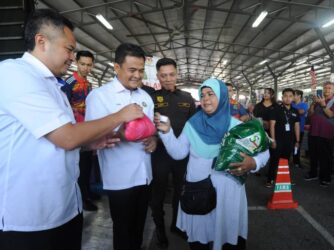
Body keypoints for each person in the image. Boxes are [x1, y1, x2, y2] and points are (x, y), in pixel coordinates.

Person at [0, 10, 144, 250]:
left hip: (65, 208)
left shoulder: (54, 85)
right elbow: (66, 136)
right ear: (41, 41)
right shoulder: (14, 74)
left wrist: (88, 143)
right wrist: (120, 115)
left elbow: (61, 138)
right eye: (69, 49)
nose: (72, 57)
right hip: (29, 219)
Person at [155, 78, 269, 250]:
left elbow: (264, 151)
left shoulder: (238, 126)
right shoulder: (192, 125)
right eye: (202, 94)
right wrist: (167, 133)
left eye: (210, 94)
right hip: (198, 193)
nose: (205, 98)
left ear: (222, 97)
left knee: (227, 239)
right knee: (200, 240)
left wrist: (253, 162)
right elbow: (179, 153)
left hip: (227, 196)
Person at [85, 43, 157, 250]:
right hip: (120, 179)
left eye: (141, 70)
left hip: (145, 175)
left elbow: (150, 129)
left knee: (138, 229)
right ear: (117, 68)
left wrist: (153, 140)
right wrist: (122, 132)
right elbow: (91, 136)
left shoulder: (145, 97)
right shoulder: (100, 96)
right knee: (123, 231)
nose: (137, 75)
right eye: (132, 70)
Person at [150, 58, 196, 248]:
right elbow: (145, 125)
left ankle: (177, 225)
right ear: (158, 76)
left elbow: (193, 128)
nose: (168, 79)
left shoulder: (187, 98)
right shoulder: (151, 97)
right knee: (157, 194)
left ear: (177, 74)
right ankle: (160, 229)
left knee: (180, 191)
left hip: (182, 155)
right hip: (159, 154)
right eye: (163, 75)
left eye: (171, 74)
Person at [61, 50, 99, 211]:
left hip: (87, 129)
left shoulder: (89, 83)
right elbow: (63, 106)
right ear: (76, 62)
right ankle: (82, 197)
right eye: (82, 64)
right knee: (80, 165)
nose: (86, 68)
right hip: (75, 130)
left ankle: (87, 191)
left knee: (87, 162)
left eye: (89, 65)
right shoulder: (69, 82)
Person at [305, 81, 334, 187]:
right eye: (325, 88)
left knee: (326, 157)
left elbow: (330, 115)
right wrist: (313, 103)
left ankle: (325, 177)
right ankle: (313, 173)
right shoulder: (319, 100)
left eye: (329, 88)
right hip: (314, 132)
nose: (326, 90)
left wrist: (323, 104)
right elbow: (311, 114)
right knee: (313, 155)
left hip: (326, 134)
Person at [266, 88, 300, 188]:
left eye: (290, 96)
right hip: (278, 140)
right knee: (274, 160)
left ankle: (284, 179)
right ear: (282, 97)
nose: (288, 98)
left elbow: (296, 126)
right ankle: (270, 179)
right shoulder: (276, 109)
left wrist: (297, 141)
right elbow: (272, 125)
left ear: (293, 97)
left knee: (285, 160)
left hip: (289, 140)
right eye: (285, 96)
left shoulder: (295, 111)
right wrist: (273, 140)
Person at [292, 90, 308, 168]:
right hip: (290, 129)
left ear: (299, 96)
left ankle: (296, 161)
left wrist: (289, 110)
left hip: (299, 129)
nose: (292, 97)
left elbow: (301, 112)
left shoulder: (304, 105)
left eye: (293, 95)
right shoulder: (291, 104)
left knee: (297, 146)